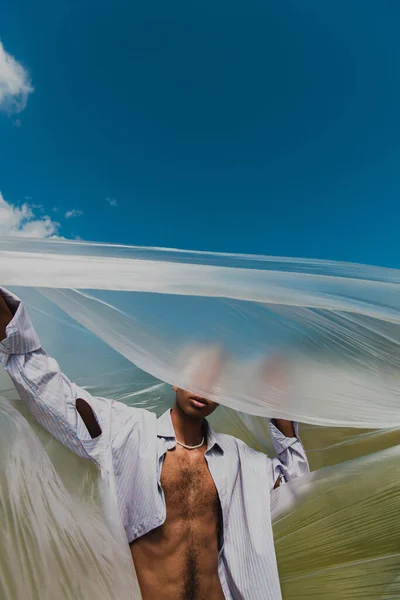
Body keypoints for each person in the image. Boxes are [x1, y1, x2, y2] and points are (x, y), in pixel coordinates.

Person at [0, 287, 309, 600]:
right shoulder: (127, 432)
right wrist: (10, 323)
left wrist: (278, 410)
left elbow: (299, 488)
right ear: (173, 377)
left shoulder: (240, 460)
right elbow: (58, 397)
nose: (204, 388)